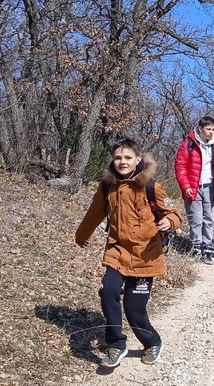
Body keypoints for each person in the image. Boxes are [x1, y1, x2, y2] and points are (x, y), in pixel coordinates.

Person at [75, 138, 183, 368]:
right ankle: (116, 343)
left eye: (127, 158)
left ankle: (152, 341)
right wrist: (81, 235)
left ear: (137, 159)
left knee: (134, 308)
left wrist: (169, 222)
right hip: (117, 250)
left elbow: (174, 213)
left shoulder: (152, 186)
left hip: (146, 255)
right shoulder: (107, 186)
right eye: (118, 158)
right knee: (108, 292)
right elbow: (94, 213)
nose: (122, 162)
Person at [174, 116, 214, 264]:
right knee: (195, 219)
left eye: (213, 129)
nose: (211, 132)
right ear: (200, 129)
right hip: (193, 187)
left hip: (211, 186)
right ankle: (196, 247)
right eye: (208, 129)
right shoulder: (188, 144)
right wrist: (185, 186)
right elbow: (180, 166)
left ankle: (207, 247)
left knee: (208, 218)